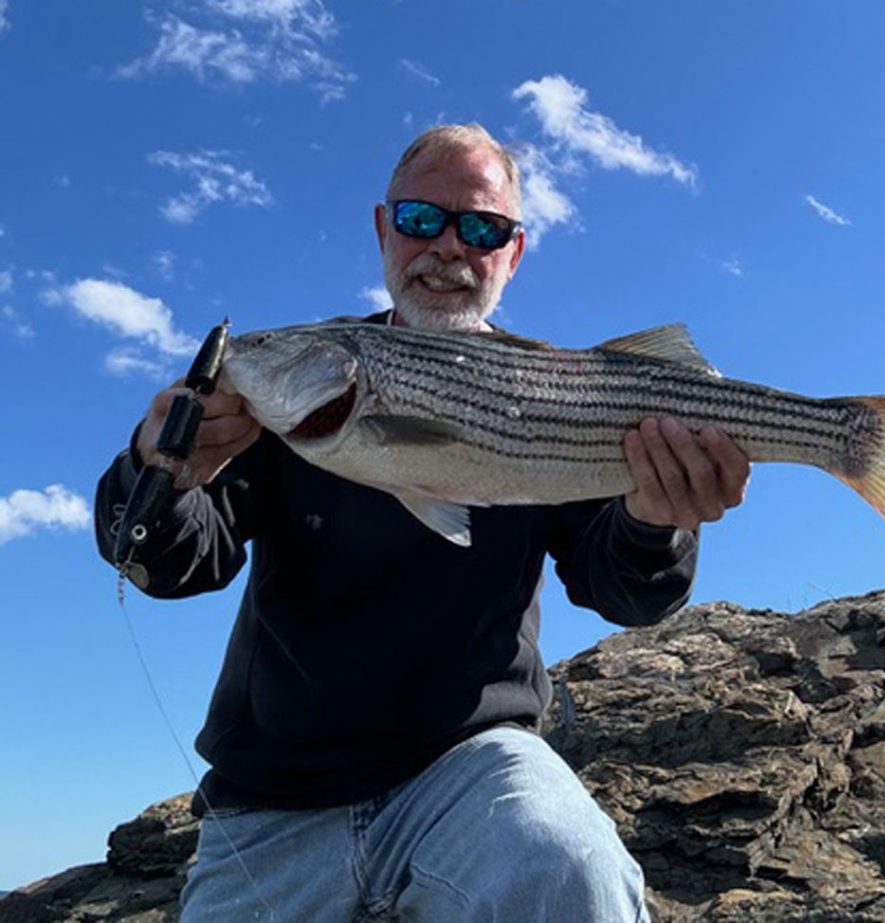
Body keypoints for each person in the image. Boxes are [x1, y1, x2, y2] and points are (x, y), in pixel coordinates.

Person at [95, 123, 750, 922]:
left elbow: (627, 595)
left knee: (575, 867)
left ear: (514, 252)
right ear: (383, 229)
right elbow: (173, 566)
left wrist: (654, 522)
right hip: (274, 796)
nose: (447, 246)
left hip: (475, 766)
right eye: (420, 219)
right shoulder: (286, 397)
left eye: (482, 228)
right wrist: (159, 471)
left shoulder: (558, 390)